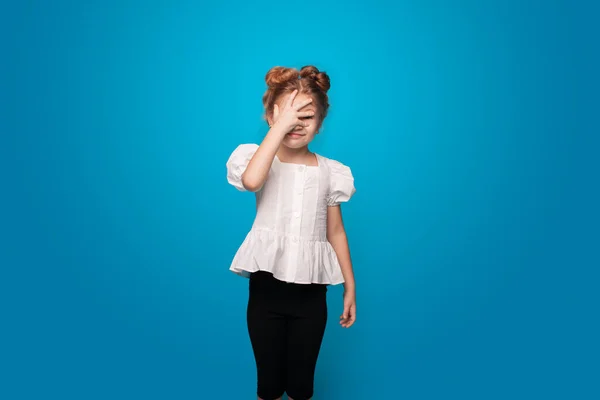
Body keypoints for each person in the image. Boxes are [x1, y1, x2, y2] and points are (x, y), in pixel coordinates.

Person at [225, 65, 357, 400]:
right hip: (266, 290)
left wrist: (350, 286)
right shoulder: (254, 159)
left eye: (306, 116)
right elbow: (252, 181)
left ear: (320, 123)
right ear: (270, 116)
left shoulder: (332, 172)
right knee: (268, 386)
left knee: (301, 387)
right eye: (286, 114)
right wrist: (279, 126)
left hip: (312, 295)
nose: (296, 124)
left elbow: (336, 231)